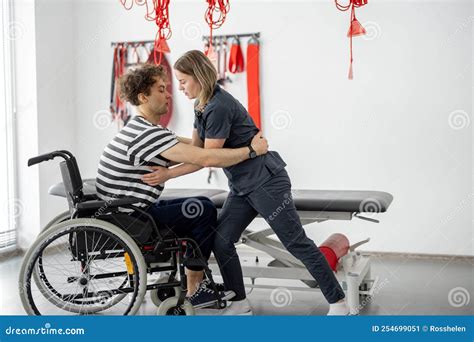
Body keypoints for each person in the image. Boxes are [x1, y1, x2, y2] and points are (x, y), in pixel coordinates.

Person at [142, 50, 350, 316]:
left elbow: (208, 158)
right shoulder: (201, 105)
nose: (179, 87)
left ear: (198, 76)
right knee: (221, 240)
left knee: (296, 243)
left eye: (183, 80)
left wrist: (168, 174)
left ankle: (339, 303)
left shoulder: (219, 106)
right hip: (241, 186)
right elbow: (196, 147)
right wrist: (164, 142)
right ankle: (239, 301)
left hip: (265, 182)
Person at [95, 63, 268, 308]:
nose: (169, 94)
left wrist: (224, 141)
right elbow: (205, 158)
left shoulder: (143, 128)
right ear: (143, 96)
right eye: (161, 89)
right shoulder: (148, 134)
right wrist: (251, 150)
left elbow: (198, 147)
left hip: (127, 211)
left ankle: (190, 279)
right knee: (204, 209)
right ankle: (195, 289)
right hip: (133, 217)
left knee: (194, 207)